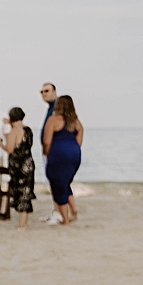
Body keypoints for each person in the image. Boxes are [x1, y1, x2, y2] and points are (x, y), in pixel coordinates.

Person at [43, 94, 84, 225]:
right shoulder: (77, 122)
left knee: (57, 185)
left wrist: (49, 155)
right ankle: (74, 208)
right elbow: (79, 142)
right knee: (65, 183)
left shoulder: (53, 120)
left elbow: (47, 142)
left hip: (59, 154)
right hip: (74, 155)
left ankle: (65, 220)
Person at [5, 105, 37, 229]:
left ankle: (22, 224)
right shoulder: (28, 130)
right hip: (28, 163)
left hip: (18, 166)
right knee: (26, 192)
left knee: (21, 193)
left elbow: (10, 149)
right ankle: (24, 223)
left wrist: (0, 144)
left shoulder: (14, 131)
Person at [37, 82, 62, 224]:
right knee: (53, 183)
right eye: (41, 92)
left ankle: (59, 212)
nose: (44, 94)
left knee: (56, 183)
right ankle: (56, 211)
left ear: (54, 91)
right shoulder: (50, 108)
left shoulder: (57, 108)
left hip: (53, 152)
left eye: (46, 91)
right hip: (49, 152)